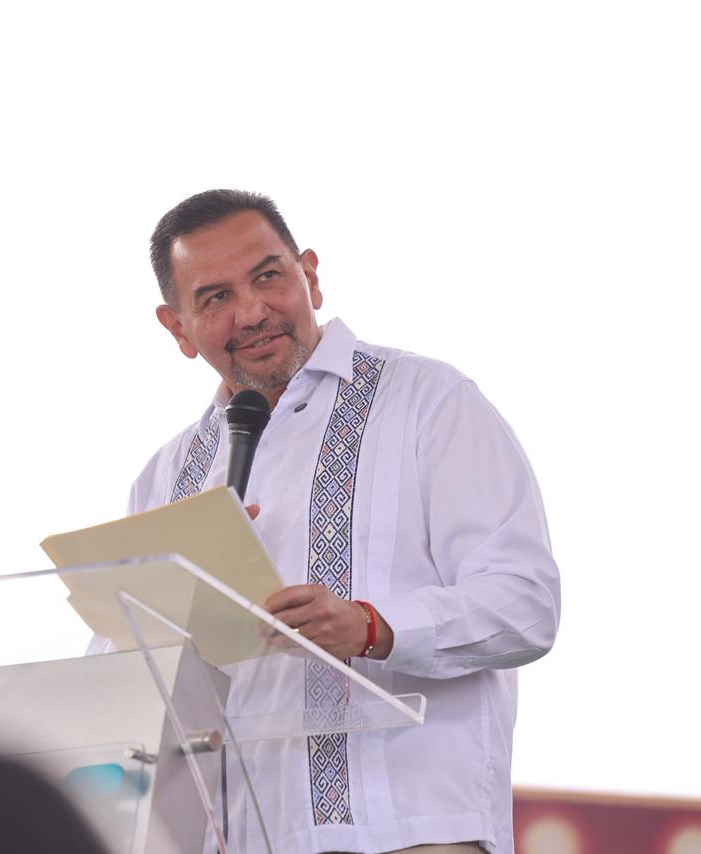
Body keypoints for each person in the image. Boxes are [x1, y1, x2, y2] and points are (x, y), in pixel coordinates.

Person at [136, 190, 561, 854]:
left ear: (310, 274)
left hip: (412, 834)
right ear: (178, 328)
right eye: (216, 298)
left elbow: (525, 604)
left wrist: (370, 626)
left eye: (268, 276)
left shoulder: (428, 402)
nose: (252, 312)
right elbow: (129, 668)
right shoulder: (166, 478)